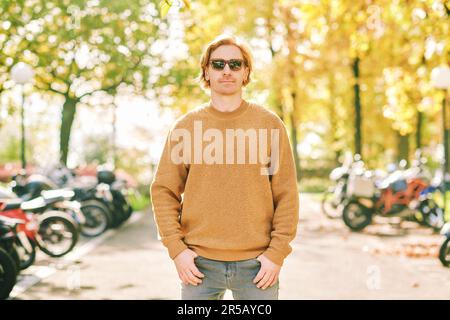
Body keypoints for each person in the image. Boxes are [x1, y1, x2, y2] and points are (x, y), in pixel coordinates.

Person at [150, 34, 299, 300]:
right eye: (218, 64)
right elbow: (163, 191)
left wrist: (276, 254)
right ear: (206, 72)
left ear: (246, 72)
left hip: (258, 266)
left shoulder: (270, 125)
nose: (227, 70)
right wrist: (177, 250)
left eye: (235, 64)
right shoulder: (185, 127)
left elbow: (286, 195)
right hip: (198, 265)